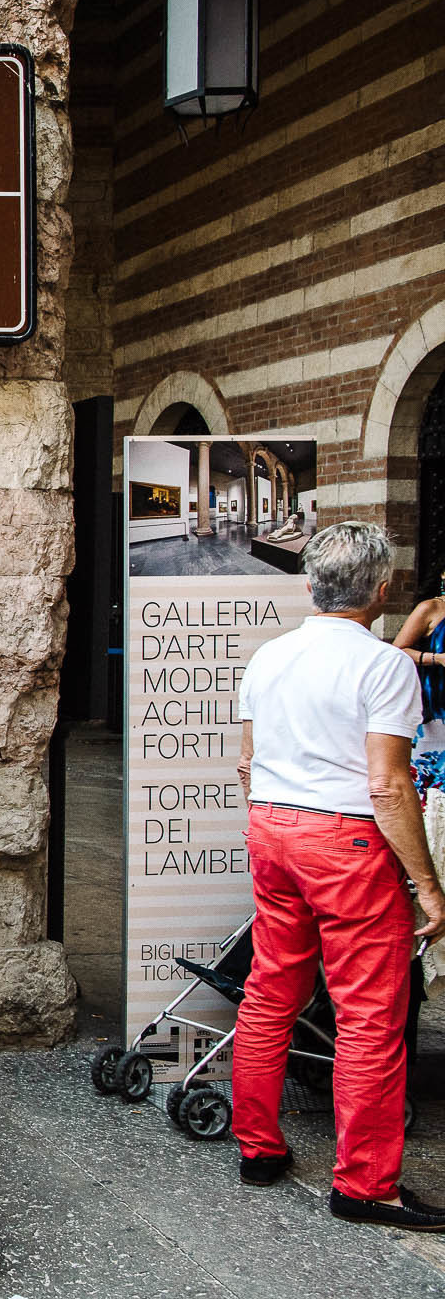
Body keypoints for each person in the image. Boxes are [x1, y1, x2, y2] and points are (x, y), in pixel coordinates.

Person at [234, 521, 445, 1231]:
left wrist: (273, 823)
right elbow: (387, 785)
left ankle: (258, 1148)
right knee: (369, 1016)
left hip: (273, 827)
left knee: (270, 991)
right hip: (346, 839)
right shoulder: (385, 665)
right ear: (382, 590)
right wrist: (428, 883)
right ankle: (365, 1185)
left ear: (310, 585)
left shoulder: (269, 656)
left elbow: (247, 762)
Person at [394, 574, 445, 743]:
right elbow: (398, 651)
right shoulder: (430, 608)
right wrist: (437, 658)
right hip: (437, 704)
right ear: (443, 574)